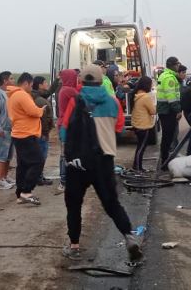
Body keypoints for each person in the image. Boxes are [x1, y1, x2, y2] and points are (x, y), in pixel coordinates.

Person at [60, 64, 142, 262]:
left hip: (78, 163)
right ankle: (129, 237)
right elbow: (119, 127)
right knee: (111, 203)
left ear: (82, 81)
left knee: (74, 204)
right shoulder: (113, 102)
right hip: (104, 160)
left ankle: (75, 246)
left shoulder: (76, 101)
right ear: (101, 80)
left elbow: (64, 131)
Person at [7, 72, 46, 205]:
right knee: (38, 161)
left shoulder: (13, 95)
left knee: (23, 165)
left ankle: (20, 194)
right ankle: (27, 191)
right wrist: (41, 110)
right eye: (30, 84)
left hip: (19, 133)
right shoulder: (22, 95)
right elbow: (33, 111)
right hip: (25, 134)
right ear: (25, 83)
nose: (31, 87)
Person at [157, 56, 182, 169]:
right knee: (168, 136)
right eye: (177, 64)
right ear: (172, 65)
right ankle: (165, 161)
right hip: (168, 111)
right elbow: (171, 97)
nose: (178, 66)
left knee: (166, 137)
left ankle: (164, 158)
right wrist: (177, 110)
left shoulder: (163, 75)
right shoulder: (170, 78)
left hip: (164, 110)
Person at [56, 69, 79, 193]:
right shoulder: (68, 90)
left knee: (66, 153)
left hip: (64, 125)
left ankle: (65, 180)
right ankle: (64, 181)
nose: (77, 79)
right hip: (66, 126)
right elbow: (82, 98)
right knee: (66, 154)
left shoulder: (64, 89)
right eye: (75, 77)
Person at [31, 76, 56, 186]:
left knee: (39, 155)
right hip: (41, 133)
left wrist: (57, 81)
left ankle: (38, 176)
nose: (47, 84)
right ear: (40, 85)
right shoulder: (40, 100)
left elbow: (49, 92)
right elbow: (44, 119)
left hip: (38, 131)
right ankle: (38, 177)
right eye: (45, 82)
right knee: (41, 156)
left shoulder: (37, 96)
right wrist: (45, 133)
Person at [131, 76, 156, 172]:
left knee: (139, 147)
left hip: (137, 124)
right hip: (143, 125)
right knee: (141, 148)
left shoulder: (137, 94)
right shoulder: (146, 97)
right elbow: (153, 111)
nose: (151, 86)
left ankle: (137, 166)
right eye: (150, 84)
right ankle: (137, 168)